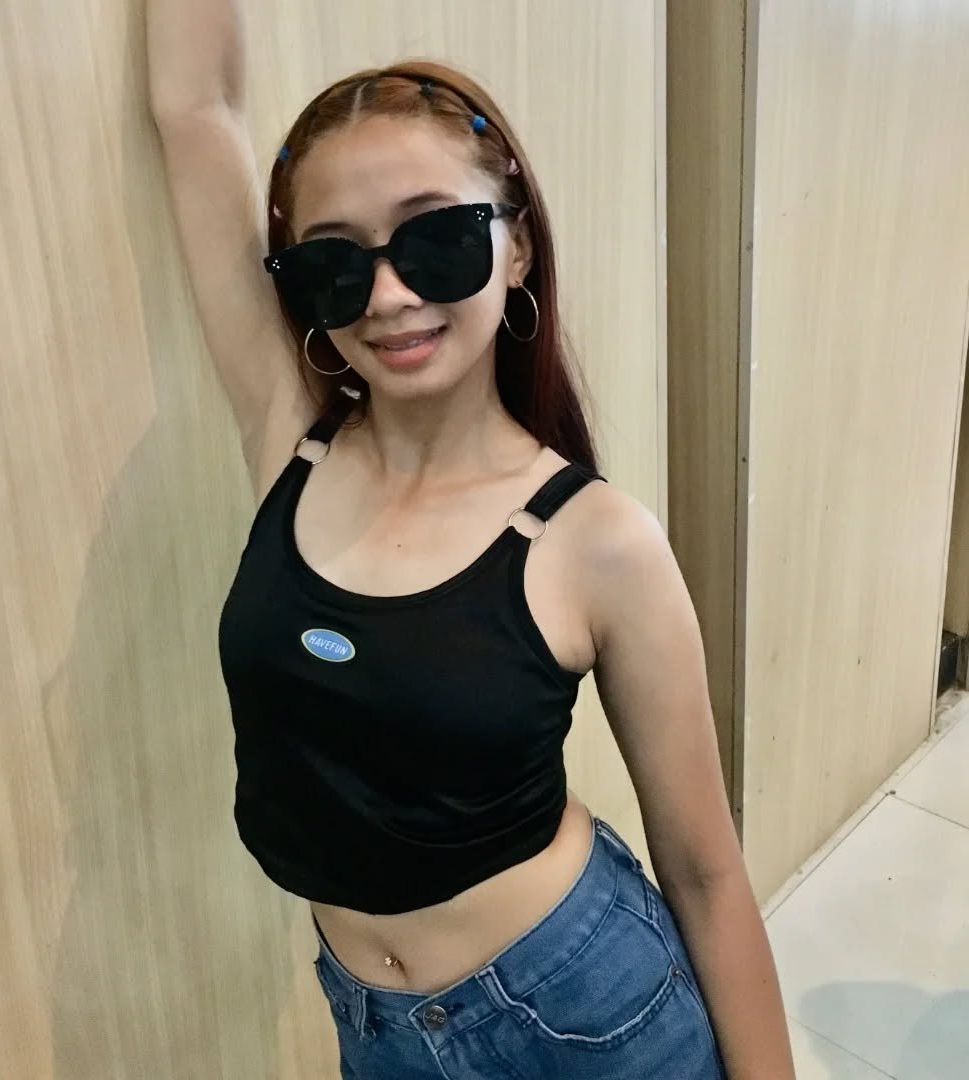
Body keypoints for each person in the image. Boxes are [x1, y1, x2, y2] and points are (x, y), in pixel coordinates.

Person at [147, 4, 796, 1077]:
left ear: (515, 243)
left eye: (437, 239)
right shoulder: (291, 441)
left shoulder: (597, 540)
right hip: (375, 1028)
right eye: (335, 262)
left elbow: (705, 872)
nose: (389, 295)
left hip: (582, 1015)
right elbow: (192, 107)